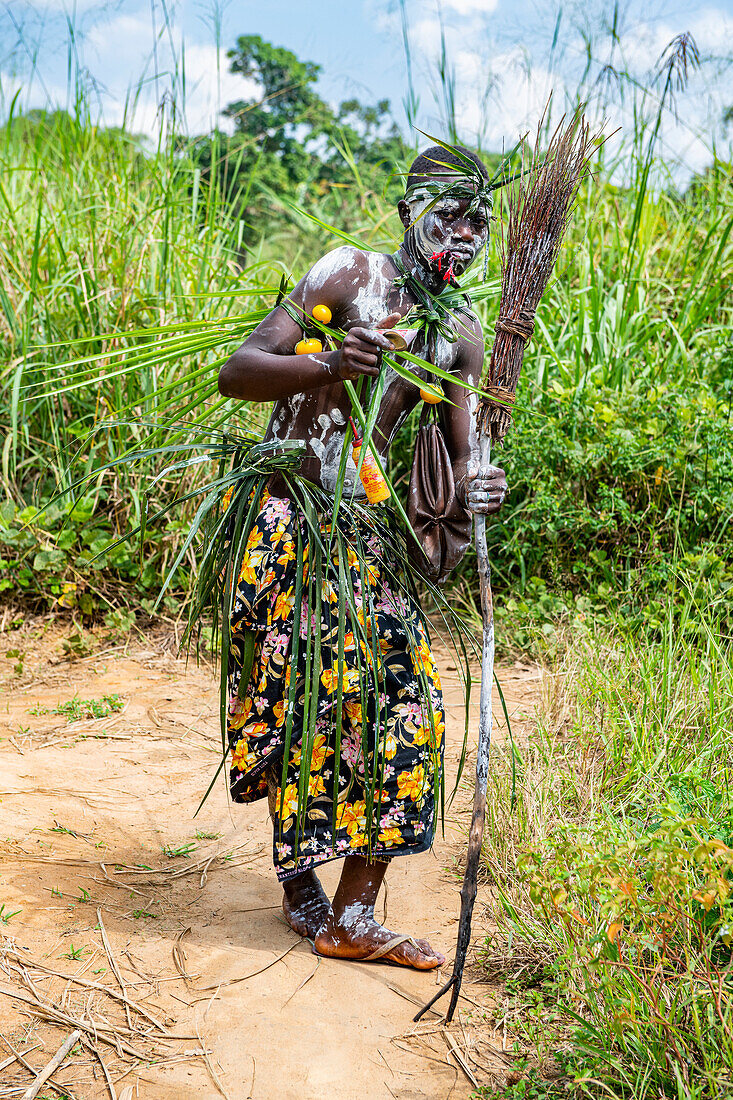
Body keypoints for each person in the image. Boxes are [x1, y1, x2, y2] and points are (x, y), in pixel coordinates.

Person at [217, 145, 508, 971]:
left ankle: (353, 912)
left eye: (477, 222)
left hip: (367, 538)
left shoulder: (458, 332)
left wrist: (478, 487)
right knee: (298, 709)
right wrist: (325, 361)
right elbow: (235, 372)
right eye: (446, 215)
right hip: (286, 520)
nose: (462, 235)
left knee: (405, 707)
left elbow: (460, 460)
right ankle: (301, 887)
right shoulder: (347, 276)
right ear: (408, 210)